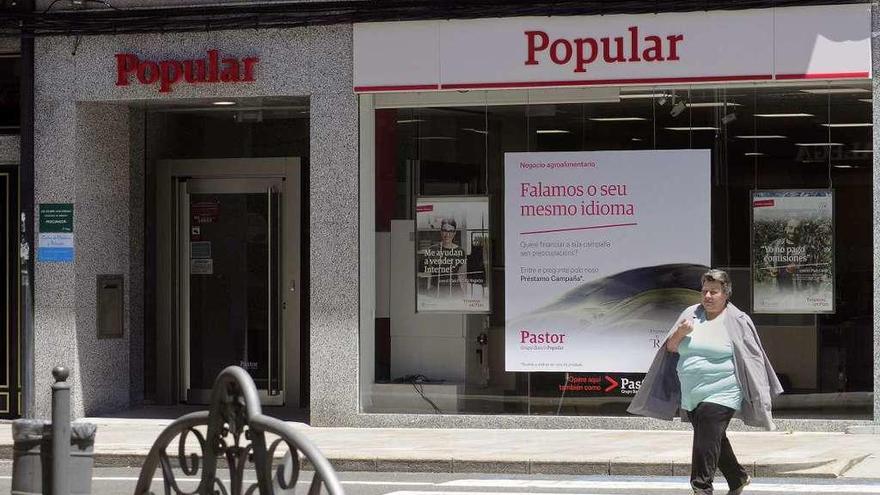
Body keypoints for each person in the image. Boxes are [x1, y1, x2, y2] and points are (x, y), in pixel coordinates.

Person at [628, 269, 783, 495]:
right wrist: (680, 332)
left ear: (726, 294)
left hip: (724, 391)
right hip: (692, 394)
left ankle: (702, 488)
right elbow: (671, 348)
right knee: (712, 439)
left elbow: (753, 359)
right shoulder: (690, 314)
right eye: (704, 292)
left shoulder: (738, 321)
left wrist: (760, 393)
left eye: (714, 292)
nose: (708, 296)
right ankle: (737, 477)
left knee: (704, 443)